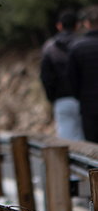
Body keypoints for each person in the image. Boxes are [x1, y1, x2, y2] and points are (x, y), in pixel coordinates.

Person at [40, 10, 84, 140]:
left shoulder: (50, 48)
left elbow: (45, 76)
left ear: (59, 25)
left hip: (62, 99)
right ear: (78, 25)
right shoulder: (83, 44)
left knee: (66, 140)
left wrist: (52, 97)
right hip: (85, 98)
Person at [68, 6, 98, 142]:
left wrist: (80, 97)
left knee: (93, 149)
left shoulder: (77, 48)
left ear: (86, 23)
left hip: (89, 106)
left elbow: (72, 81)